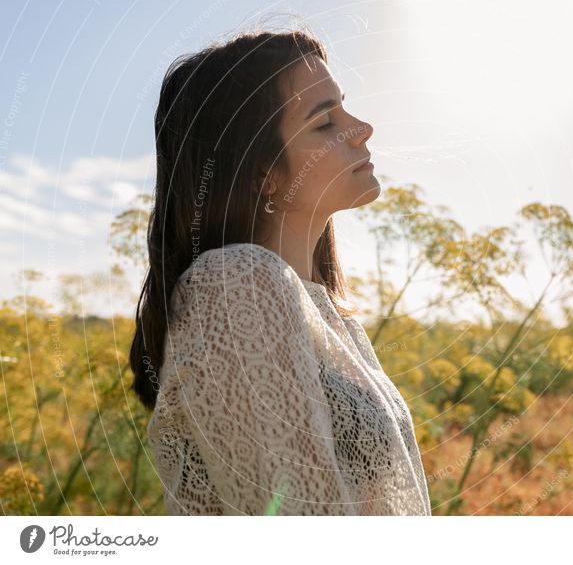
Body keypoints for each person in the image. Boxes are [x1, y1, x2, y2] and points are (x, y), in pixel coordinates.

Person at [129, 28, 431, 515]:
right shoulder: (234, 287)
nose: (362, 128)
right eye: (324, 122)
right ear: (262, 172)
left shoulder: (332, 320)